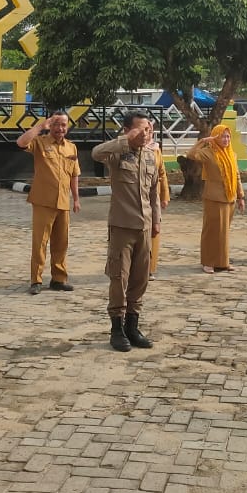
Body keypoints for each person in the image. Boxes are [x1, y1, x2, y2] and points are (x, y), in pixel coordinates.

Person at [92, 112, 162, 352]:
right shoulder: (117, 153)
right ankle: (117, 328)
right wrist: (125, 140)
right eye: (141, 129)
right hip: (122, 226)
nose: (146, 134)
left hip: (144, 227)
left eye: (149, 130)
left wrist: (156, 220)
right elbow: (95, 153)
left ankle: (133, 326)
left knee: (140, 279)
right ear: (127, 130)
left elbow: (154, 192)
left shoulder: (152, 157)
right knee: (119, 278)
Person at [16, 111, 81, 295]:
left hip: (63, 201)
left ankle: (58, 279)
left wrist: (76, 198)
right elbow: (21, 142)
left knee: (61, 242)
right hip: (43, 200)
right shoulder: (40, 142)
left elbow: (74, 175)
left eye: (63, 125)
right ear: (50, 125)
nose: (60, 128)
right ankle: (36, 280)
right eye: (56, 124)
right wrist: (39, 127)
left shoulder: (71, 148)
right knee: (40, 242)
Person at [187, 124, 246, 273]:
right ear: (215, 136)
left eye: (227, 136)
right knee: (212, 230)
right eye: (222, 136)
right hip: (214, 197)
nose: (225, 139)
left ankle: (223, 262)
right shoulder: (208, 152)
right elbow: (191, 155)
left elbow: (237, 175)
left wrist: (241, 196)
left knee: (224, 232)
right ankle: (208, 261)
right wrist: (203, 141)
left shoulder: (232, 154)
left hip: (229, 197)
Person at [148, 140, 171, 278]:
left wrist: (164, 195)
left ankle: (151, 267)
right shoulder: (130, 149)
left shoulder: (156, 150)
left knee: (154, 231)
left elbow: (162, 174)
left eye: (150, 131)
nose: (147, 133)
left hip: (154, 196)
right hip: (137, 196)